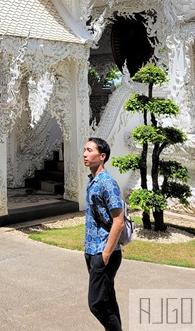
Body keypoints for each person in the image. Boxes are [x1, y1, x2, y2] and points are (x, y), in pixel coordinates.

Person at [83, 137, 124, 331]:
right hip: (92, 249)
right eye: (85, 150)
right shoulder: (92, 180)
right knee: (107, 298)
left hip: (104, 251)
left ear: (102, 156)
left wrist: (105, 254)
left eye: (89, 150)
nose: (85, 154)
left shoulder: (107, 183)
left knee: (97, 303)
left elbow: (119, 221)